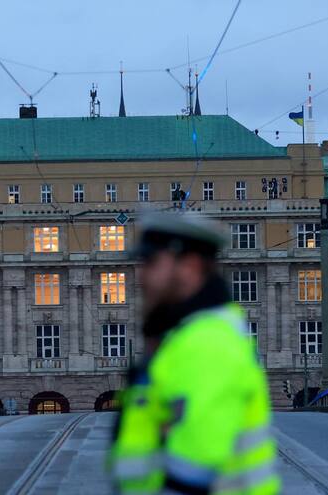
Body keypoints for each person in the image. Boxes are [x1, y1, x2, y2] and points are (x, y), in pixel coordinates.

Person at [110, 212, 279, 495]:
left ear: (188, 266)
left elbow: (195, 470)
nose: (140, 277)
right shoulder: (184, 337)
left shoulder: (207, 343)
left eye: (151, 263)